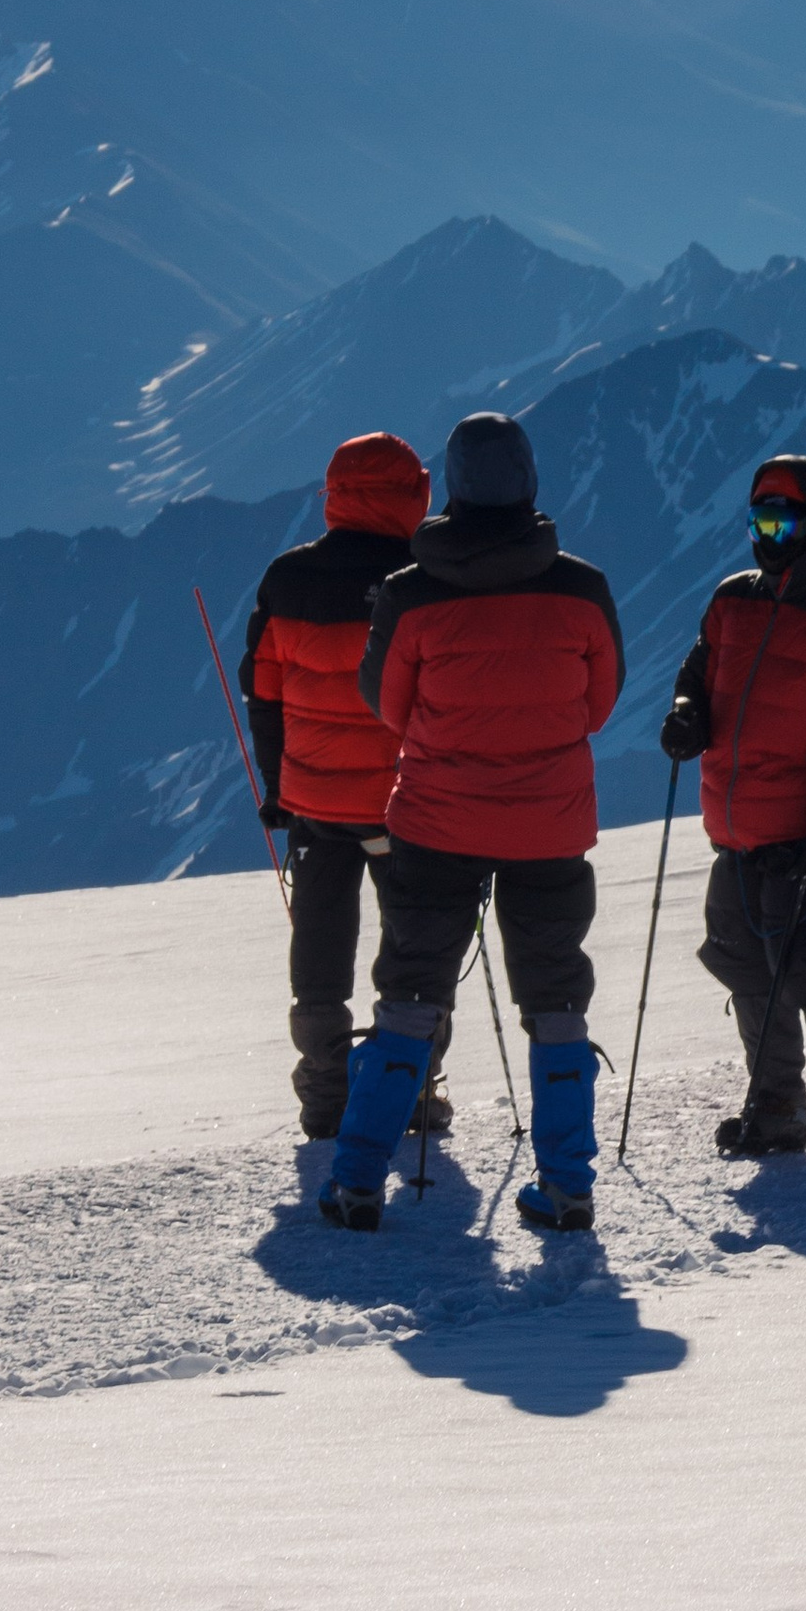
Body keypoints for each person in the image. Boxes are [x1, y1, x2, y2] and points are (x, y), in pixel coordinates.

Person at [319, 411, 624, 1232]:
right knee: (556, 999)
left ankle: (356, 1180)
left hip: (435, 824)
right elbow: (600, 704)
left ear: (451, 485)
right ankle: (567, 1187)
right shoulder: (581, 589)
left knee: (410, 996)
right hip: (550, 827)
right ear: (529, 480)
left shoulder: (412, 594)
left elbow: (386, 707)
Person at [658, 457, 806, 1165]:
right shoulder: (733, 600)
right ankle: (776, 1109)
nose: (768, 535)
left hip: (805, 836)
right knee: (745, 967)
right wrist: (685, 714)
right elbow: (697, 672)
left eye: (784, 521)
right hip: (735, 833)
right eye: (759, 520)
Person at [242, 429, 436, 1141]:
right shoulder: (426, 573)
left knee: (321, 949)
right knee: (415, 947)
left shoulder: (287, 576)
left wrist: (278, 789)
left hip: (315, 804)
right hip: (403, 806)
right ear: (411, 493)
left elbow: (261, 690)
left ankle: (325, 1093)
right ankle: (409, 1090)